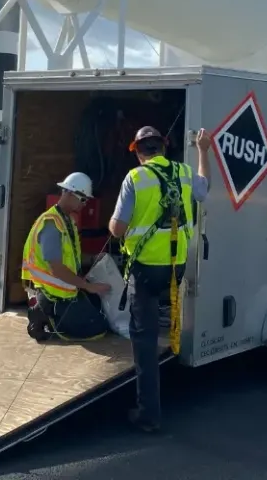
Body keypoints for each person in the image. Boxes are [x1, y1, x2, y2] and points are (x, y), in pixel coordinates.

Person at [109, 125, 212, 433]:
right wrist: (203, 150)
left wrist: (114, 223)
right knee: (166, 321)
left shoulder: (135, 178)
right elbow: (204, 190)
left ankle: (148, 414)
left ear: (139, 153)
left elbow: (117, 228)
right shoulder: (182, 171)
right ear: (163, 149)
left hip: (146, 270)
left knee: (145, 339)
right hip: (176, 267)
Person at [23, 171, 112, 342]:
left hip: (68, 289)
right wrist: (87, 286)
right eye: (83, 199)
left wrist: (93, 259)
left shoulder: (67, 221)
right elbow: (57, 268)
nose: (85, 204)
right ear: (70, 193)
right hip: (54, 295)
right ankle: (42, 312)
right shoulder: (51, 224)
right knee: (97, 329)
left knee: (99, 310)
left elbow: (70, 259)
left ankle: (52, 312)